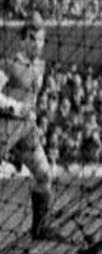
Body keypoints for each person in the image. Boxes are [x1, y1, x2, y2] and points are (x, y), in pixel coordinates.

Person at [1, 16, 60, 241]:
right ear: (23, 41)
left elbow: (32, 98)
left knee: (44, 175)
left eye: (41, 40)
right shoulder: (9, 65)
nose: (37, 44)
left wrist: (32, 114)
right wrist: (16, 107)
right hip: (5, 128)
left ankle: (39, 229)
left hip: (26, 130)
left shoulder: (40, 66)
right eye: (33, 39)